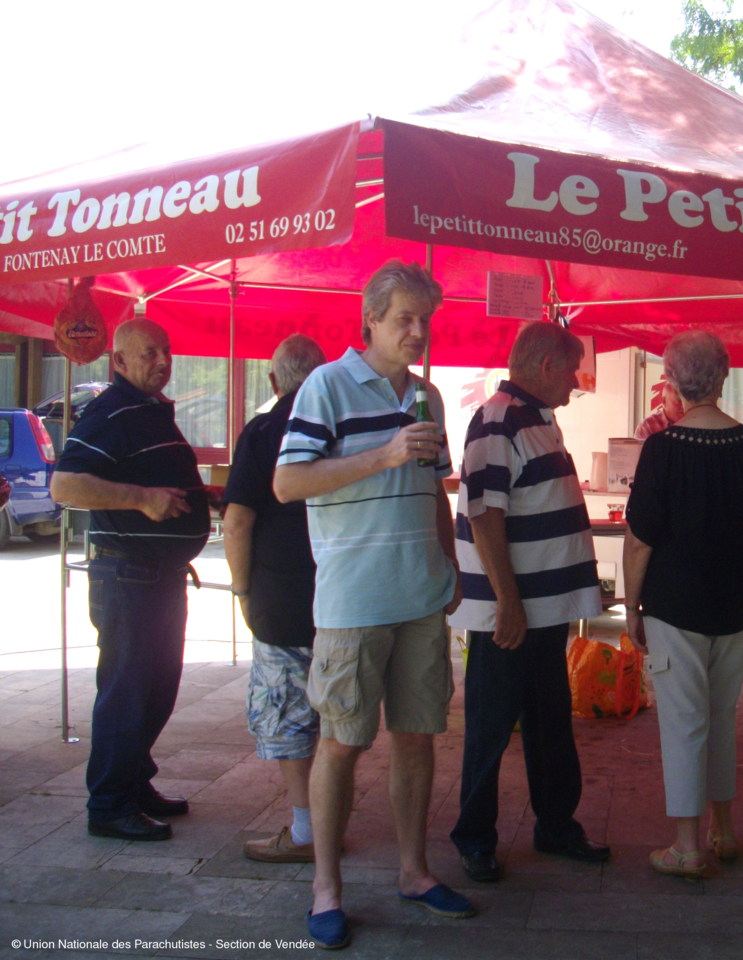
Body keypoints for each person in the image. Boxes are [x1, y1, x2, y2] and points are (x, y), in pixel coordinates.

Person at [274, 260, 472, 950]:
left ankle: (414, 872)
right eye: (404, 319)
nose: (418, 332)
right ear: (371, 320)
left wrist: (449, 566)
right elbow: (287, 482)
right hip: (353, 600)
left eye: (426, 320)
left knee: (417, 738)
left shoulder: (429, 396)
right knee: (342, 743)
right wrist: (382, 455)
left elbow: (434, 487)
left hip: (420, 596)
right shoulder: (326, 385)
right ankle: (326, 889)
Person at [622, 331, 743, 877]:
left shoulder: (663, 449)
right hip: (736, 605)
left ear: (672, 380)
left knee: (684, 721)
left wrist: (630, 605)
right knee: (721, 717)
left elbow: (640, 540)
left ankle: (687, 845)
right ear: (722, 377)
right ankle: (725, 828)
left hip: (676, 606)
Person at [450, 321, 610, 884]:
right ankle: (475, 838)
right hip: (512, 613)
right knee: (491, 726)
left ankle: (557, 825)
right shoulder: (498, 419)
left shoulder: (536, 418)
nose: (576, 382)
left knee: (549, 723)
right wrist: (508, 601)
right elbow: (483, 514)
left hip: (542, 609)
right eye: (572, 370)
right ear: (546, 365)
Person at [50, 318, 210, 842]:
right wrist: (140, 499)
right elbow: (64, 485)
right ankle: (109, 804)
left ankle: (134, 783)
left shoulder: (147, 409)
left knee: (157, 689)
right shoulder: (111, 411)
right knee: (127, 692)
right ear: (118, 361)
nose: (163, 361)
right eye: (148, 353)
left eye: (166, 351)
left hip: (158, 576)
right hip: (128, 576)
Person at [224, 333, 326, 863]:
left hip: (281, 599)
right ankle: (328, 821)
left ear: (272, 381)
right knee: (339, 717)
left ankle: (308, 831)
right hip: (343, 597)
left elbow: (237, 522)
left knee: (289, 718)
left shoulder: (263, 430)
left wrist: (241, 589)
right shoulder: (342, 430)